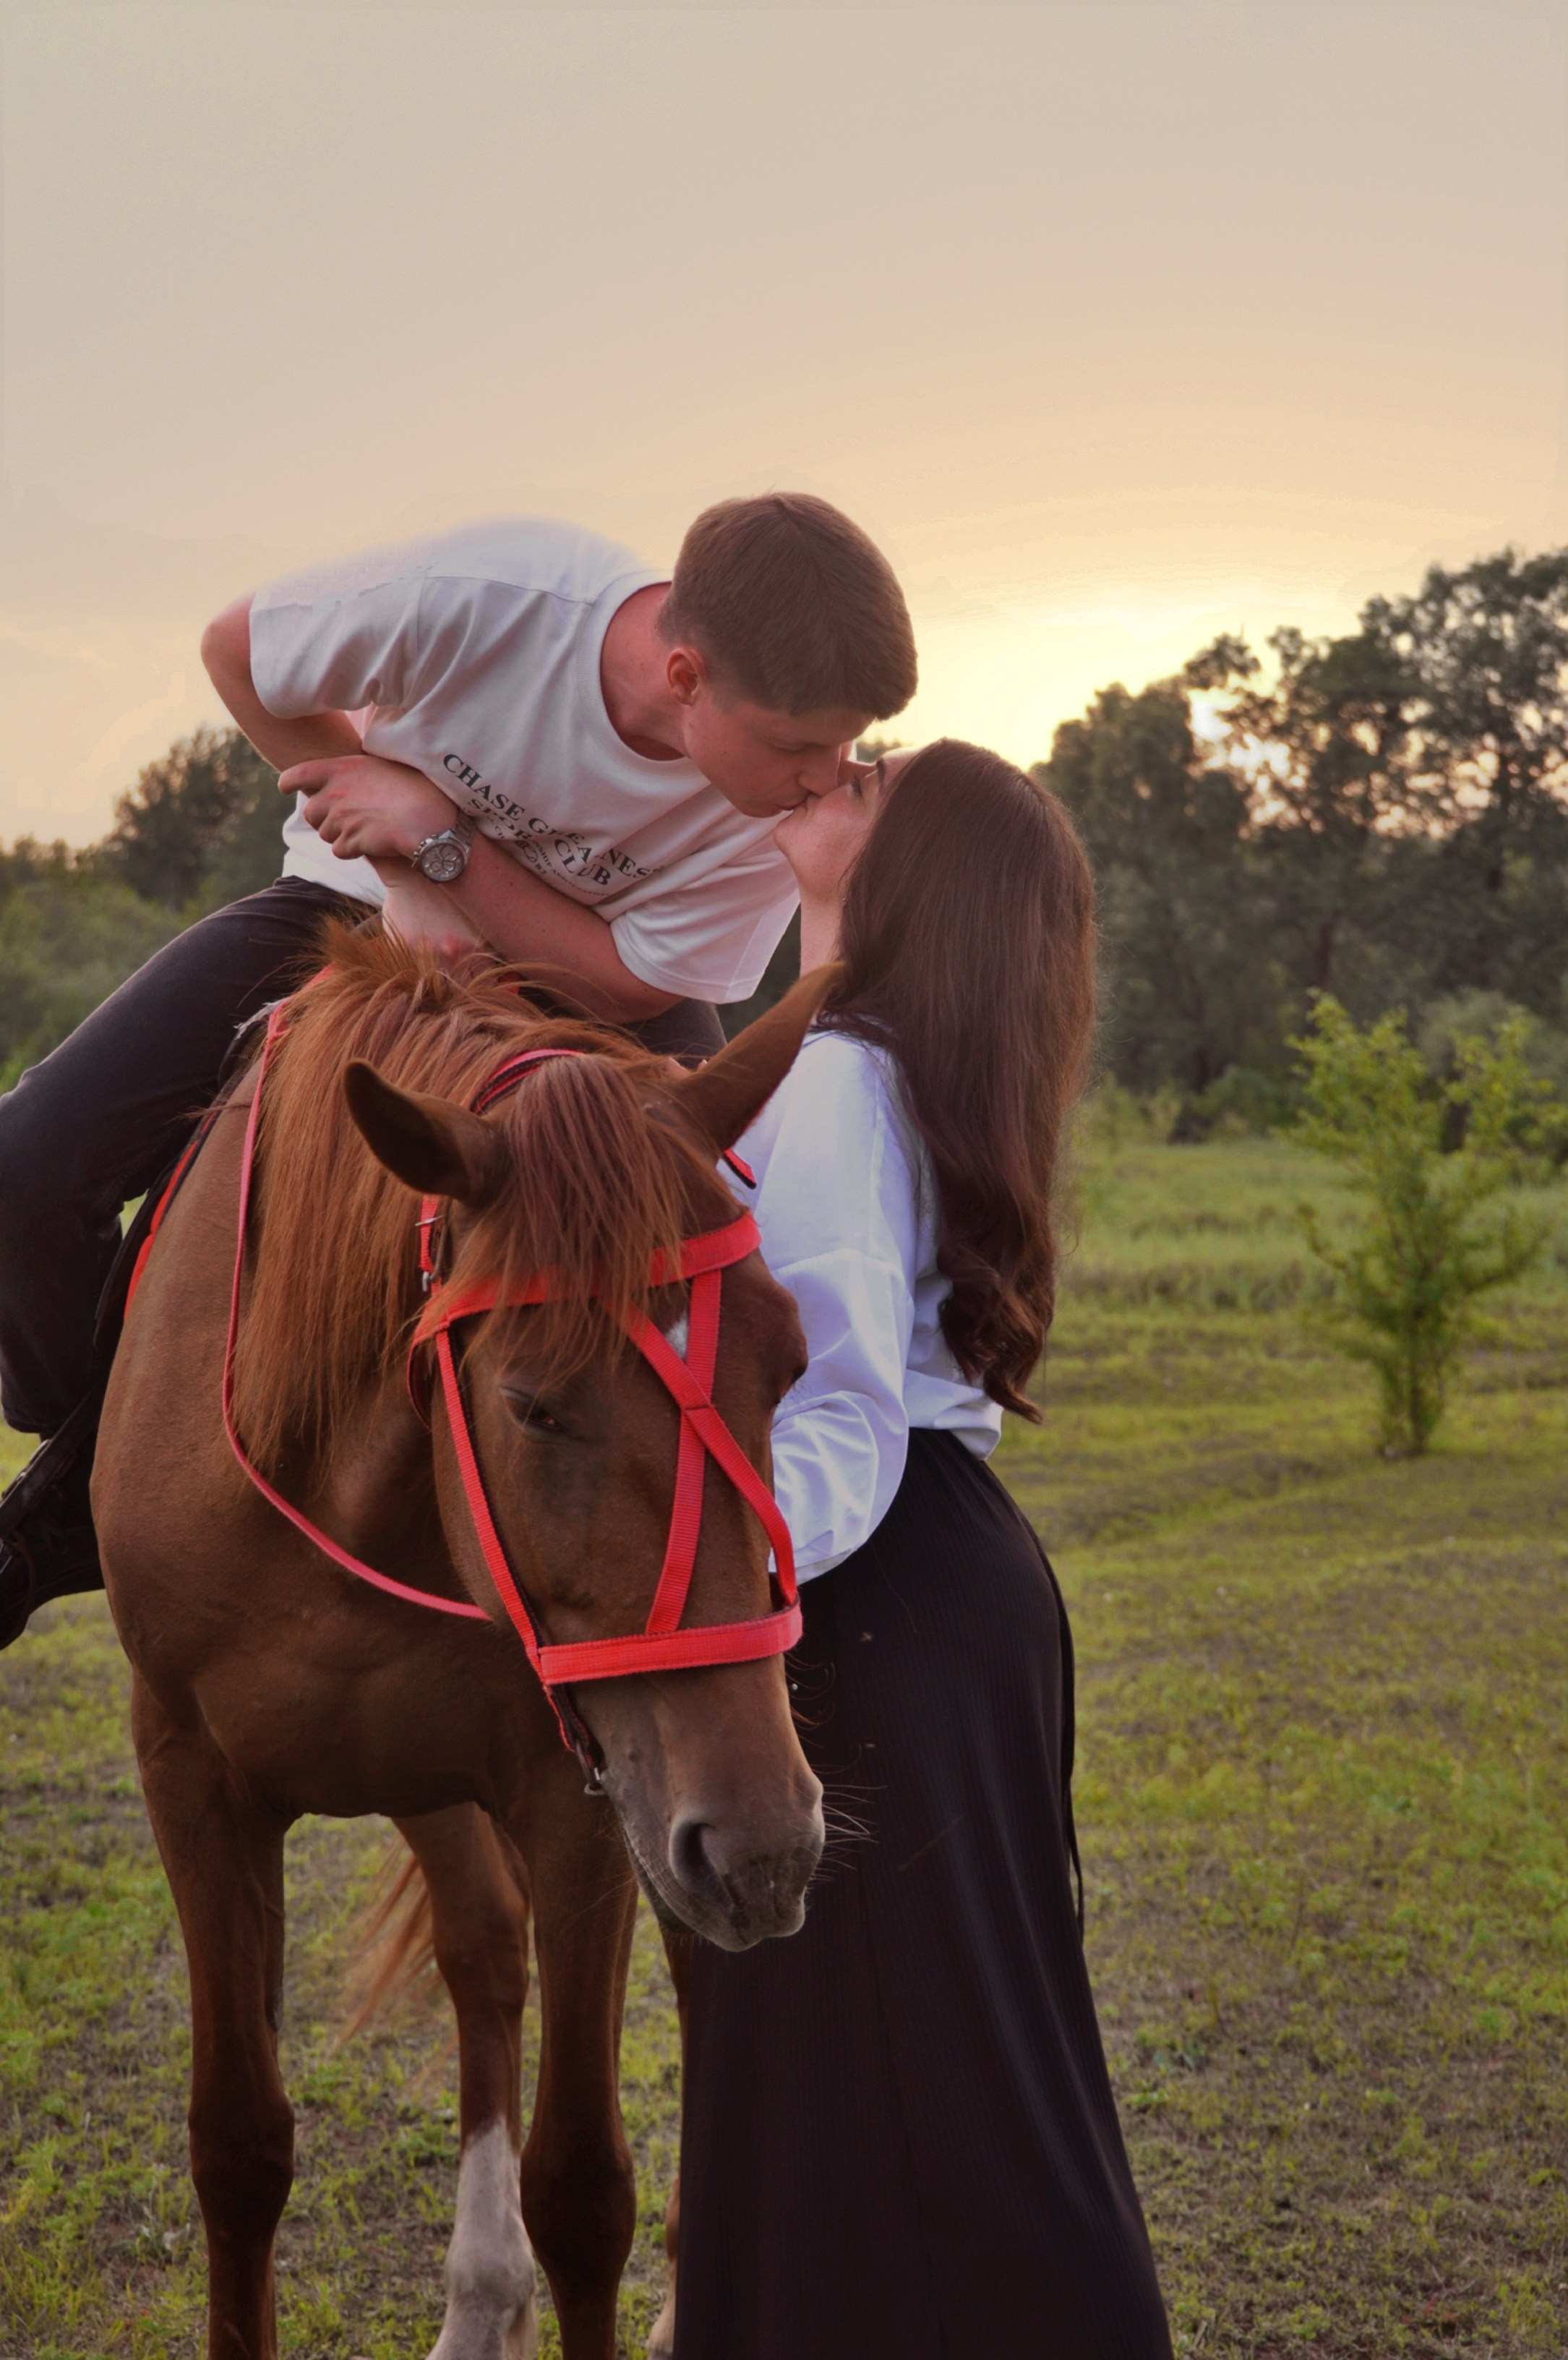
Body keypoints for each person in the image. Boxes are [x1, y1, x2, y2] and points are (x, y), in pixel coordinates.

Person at [0, 495, 917, 1643]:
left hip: (591, 992)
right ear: (685, 674)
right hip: (342, 911)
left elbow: (633, 981)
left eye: (840, 743)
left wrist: (439, 846)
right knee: (26, 1161)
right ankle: (77, 1459)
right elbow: (239, 650)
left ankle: (739, 1599)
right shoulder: (500, 597)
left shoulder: (766, 811)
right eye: (796, 742)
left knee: (726, 1236)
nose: (823, 776)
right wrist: (388, 849)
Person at [672, 741, 1173, 2359]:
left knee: (886, 2082)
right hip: (958, 1585)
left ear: (911, 878)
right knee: (968, 2060)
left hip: (865, 1587)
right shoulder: (886, 1060)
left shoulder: (841, 1073)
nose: (833, 771)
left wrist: (724, 1592)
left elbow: (837, 1411)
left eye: (870, 781)